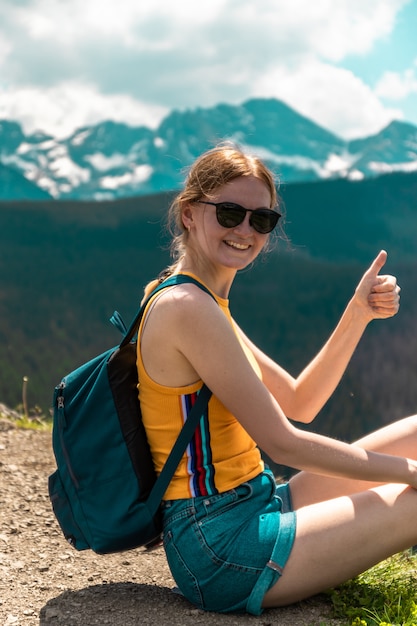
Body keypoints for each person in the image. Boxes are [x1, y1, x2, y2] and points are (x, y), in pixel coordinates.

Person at [136, 144, 417, 616]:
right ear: (188, 214)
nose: (245, 230)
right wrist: (406, 473)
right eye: (229, 213)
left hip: (258, 505)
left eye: (261, 220)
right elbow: (284, 443)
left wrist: (358, 313)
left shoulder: (199, 298)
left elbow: (299, 400)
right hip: (220, 548)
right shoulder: (188, 308)